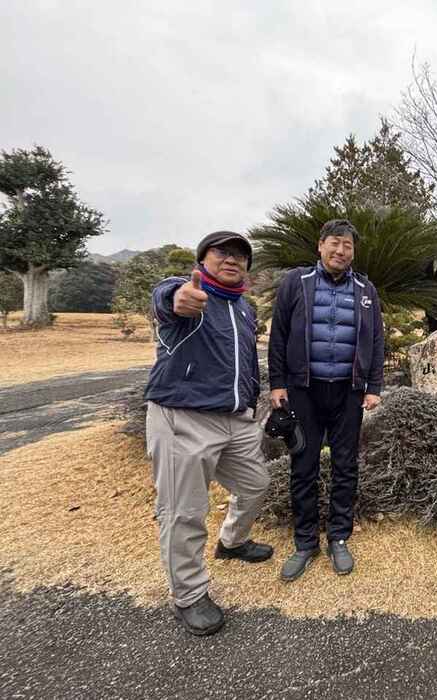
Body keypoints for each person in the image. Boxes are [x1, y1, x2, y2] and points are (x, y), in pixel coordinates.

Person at [144, 231, 272, 637]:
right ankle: (189, 594)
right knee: (184, 511)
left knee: (256, 484)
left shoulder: (244, 309)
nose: (232, 260)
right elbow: (168, 297)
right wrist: (175, 296)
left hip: (235, 420)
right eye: (223, 253)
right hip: (184, 416)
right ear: (203, 260)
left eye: (240, 255)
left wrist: (253, 402)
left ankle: (232, 541)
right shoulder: (189, 295)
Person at [268, 219, 384, 580]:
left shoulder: (366, 289)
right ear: (320, 246)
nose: (341, 251)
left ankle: (338, 536)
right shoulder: (296, 282)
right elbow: (279, 334)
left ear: (353, 251)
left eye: (347, 246)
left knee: (346, 465)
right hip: (304, 390)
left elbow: (377, 339)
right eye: (334, 243)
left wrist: (374, 386)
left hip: (348, 392)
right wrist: (277, 383)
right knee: (303, 464)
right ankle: (305, 542)